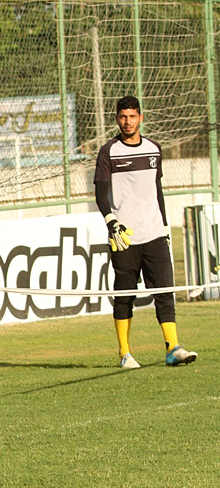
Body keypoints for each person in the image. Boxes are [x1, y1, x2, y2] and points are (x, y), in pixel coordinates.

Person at [94, 95, 197, 369]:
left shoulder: (153, 149)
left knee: (165, 291)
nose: (127, 121)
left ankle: (173, 348)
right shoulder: (108, 152)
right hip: (124, 238)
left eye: (132, 116)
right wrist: (110, 222)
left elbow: (157, 190)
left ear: (140, 117)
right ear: (117, 119)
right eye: (122, 117)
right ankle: (124, 353)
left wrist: (164, 226)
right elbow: (101, 192)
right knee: (124, 294)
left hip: (154, 235)